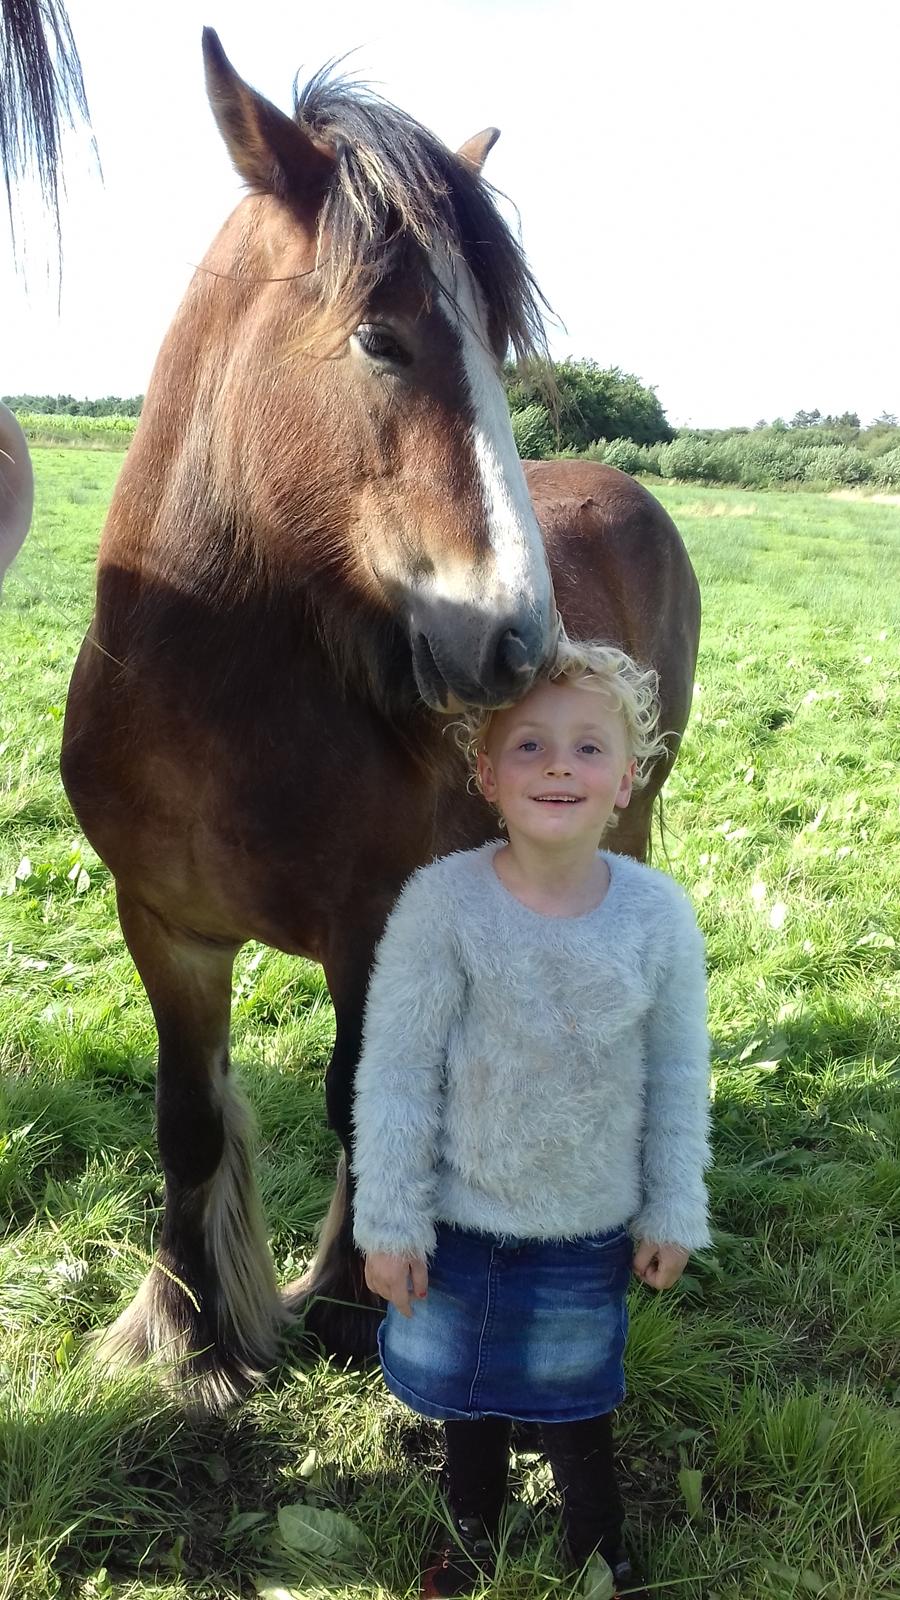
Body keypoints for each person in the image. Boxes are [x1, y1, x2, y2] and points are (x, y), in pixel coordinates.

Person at [351, 627, 712, 1598]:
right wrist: (388, 1220)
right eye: (530, 744)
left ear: (629, 777)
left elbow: (679, 1076)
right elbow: (395, 1069)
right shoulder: (441, 906)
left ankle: (598, 1537)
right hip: (462, 1218)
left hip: (586, 1220)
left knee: (574, 1386)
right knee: (468, 1390)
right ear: (485, 772)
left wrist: (673, 1208)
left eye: (589, 745)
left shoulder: (656, 918)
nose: (560, 764)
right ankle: (471, 1524)